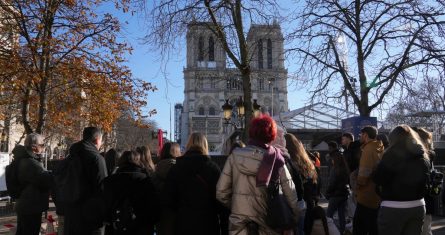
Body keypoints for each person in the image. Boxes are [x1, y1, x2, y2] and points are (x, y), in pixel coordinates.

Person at [216, 115, 301, 235]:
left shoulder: (234, 156)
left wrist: (238, 207)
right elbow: (291, 197)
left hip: (240, 226)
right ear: (272, 135)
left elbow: (221, 192)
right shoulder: (278, 159)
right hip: (270, 225)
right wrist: (292, 219)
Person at [162, 133, 228, 235]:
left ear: (188, 145)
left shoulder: (176, 168)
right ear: (205, 146)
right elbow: (221, 202)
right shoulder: (213, 168)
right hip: (208, 226)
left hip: (183, 225)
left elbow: (168, 200)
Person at [373, 125, 430, 235]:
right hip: (418, 205)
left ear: (393, 138)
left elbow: (379, 179)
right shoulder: (422, 155)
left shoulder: (391, 155)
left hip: (393, 206)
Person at [64, 127, 108, 235]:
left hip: (71, 213)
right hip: (92, 217)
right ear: (97, 140)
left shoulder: (71, 156)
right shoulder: (97, 159)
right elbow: (103, 188)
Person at [104, 150, 159, 235]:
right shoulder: (145, 180)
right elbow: (153, 208)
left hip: (116, 228)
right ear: (138, 162)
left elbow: (104, 208)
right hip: (141, 228)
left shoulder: (109, 181)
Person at [13, 133, 53, 235]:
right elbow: (45, 180)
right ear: (34, 147)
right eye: (42, 144)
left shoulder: (24, 159)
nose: (44, 147)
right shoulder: (31, 163)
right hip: (31, 206)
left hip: (25, 204)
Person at [285, 133, 318, 235]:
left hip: (296, 203)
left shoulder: (289, 162)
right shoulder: (305, 160)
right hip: (308, 202)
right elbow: (314, 181)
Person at [353, 126, 384, 235]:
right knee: (373, 226)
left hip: (366, 195)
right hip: (376, 194)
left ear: (365, 135)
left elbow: (364, 172)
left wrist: (358, 186)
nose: (360, 137)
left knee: (359, 227)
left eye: (360, 135)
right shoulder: (379, 147)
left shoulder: (368, 149)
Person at [412, 127, 435, 235]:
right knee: (426, 229)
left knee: (424, 229)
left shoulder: (423, 157)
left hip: (419, 199)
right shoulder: (429, 155)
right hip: (425, 199)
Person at [325, 151, 350, 234]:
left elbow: (332, 183)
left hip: (335, 195)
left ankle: (328, 231)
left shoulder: (334, 169)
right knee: (342, 215)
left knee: (328, 216)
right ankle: (342, 231)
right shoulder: (345, 169)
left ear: (335, 159)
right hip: (343, 194)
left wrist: (327, 193)